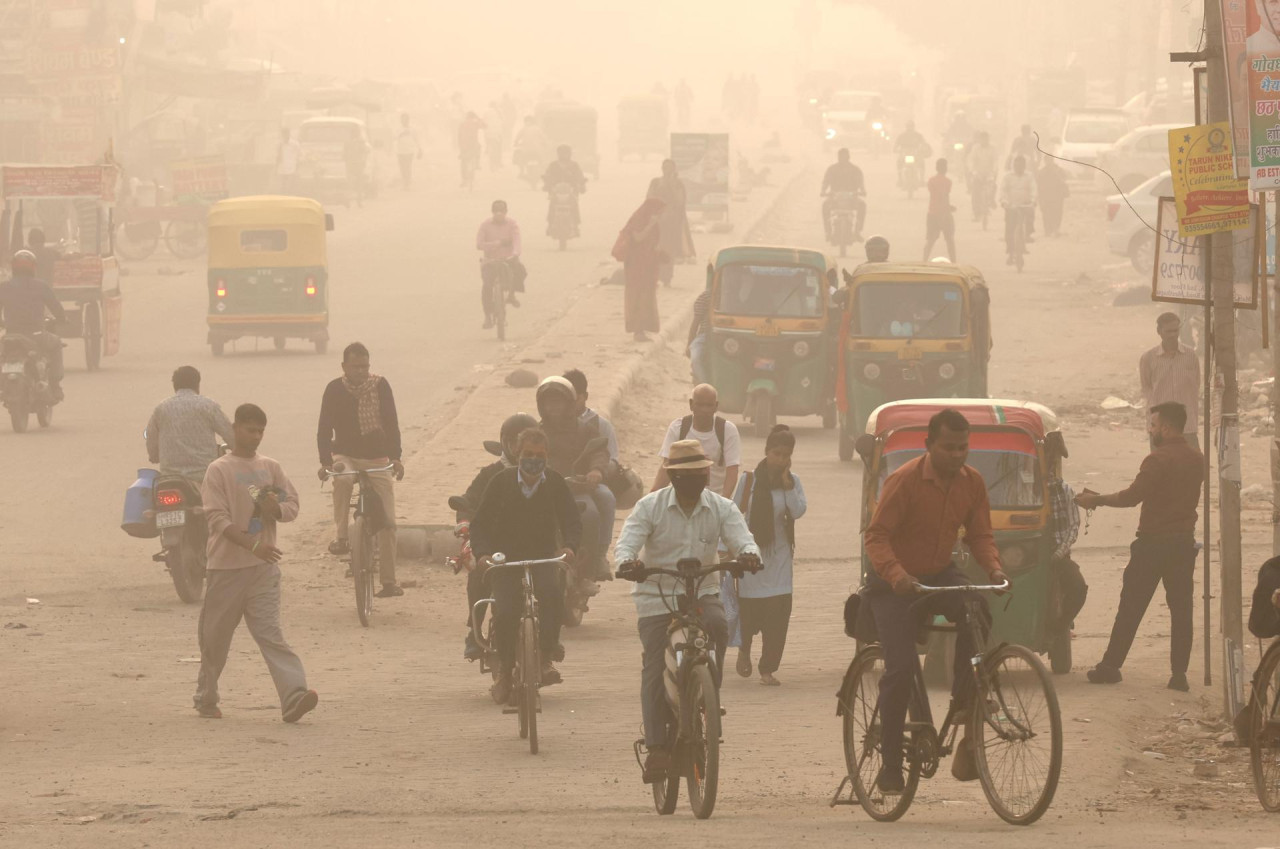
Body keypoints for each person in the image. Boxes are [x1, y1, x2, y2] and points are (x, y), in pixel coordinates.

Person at [863, 409, 1008, 794]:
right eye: (948, 448)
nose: (957, 455)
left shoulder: (972, 483)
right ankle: (891, 765)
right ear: (929, 445)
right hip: (893, 584)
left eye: (963, 447)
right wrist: (897, 576)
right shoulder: (904, 480)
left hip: (938, 573)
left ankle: (964, 699)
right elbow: (876, 536)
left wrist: (993, 569)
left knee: (976, 609)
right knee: (900, 670)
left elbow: (980, 536)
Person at [614, 439, 761, 781]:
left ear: (709, 473)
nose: (697, 480)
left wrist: (749, 554)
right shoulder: (649, 507)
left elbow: (743, 538)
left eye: (702, 473)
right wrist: (628, 563)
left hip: (702, 591)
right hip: (656, 596)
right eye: (688, 475)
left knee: (718, 626)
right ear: (673, 477)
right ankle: (656, 748)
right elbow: (626, 544)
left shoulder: (721, 507)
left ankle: (708, 694)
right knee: (653, 665)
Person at [195, 403, 316, 723]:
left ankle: (294, 695)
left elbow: (292, 507)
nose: (256, 436)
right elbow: (217, 520)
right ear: (235, 429)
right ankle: (206, 696)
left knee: (270, 634)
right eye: (250, 430)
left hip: (263, 571)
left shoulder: (270, 468)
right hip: (225, 569)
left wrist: (274, 509)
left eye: (261, 431)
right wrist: (253, 545)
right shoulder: (218, 470)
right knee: (215, 640)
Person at [1076, 402, 1204, 692]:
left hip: (1153, 545)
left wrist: (1096, 500)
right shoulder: (1197, 458)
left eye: (1153, 425)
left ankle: (1111, 666)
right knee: (1182, 610)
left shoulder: (1157, 460)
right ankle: (1178, 674)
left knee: (1131, 607)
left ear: (1166, 428)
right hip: (1183, 544)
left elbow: (1132, 497)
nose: (1151, 430)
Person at [470, 427, 581, 701]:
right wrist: (483, 554)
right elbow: (480, 524)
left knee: (553, 593)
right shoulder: (500, 481)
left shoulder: (554, 482)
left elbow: (571, 520)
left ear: (547, 456)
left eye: (539, 455)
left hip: (543, 556)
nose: (533, 460)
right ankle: (505, 672)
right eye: (528, 454)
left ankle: (546, 654)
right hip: (505, 559)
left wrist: (569, 546)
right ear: (518, 454)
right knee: (506, 611)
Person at [316, 342, 405, 598]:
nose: (361, 372)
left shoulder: (380, 386)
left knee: (388, 522)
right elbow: (324, 429)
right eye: (356, 367)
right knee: (342, 478)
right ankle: (342, 537)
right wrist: (324, 462)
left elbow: (392, 422)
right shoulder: (334, 389)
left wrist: (396, 457)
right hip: (345, 455)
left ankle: (389, 582)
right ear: (344, 367)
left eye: (365, 366)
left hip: (378, 457)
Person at [730, 425, 806, 686]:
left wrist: (787, 486)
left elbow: (797, 511)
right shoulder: (749, 480)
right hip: (751, 557)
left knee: (778, 613)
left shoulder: (792, 482)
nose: (780, 460)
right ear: (766, 452)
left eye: (786, 455)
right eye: (776, 454)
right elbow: (733, 514)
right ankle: (744, 650)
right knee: (749, 612)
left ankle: (768, 669)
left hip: (780, 558)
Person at [461, 412, 537, 662]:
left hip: (536, 544)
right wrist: (464, 523)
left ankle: (548, 644)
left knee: (553, 584)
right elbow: (469, 502)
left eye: (526, 440)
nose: (520, 447)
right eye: (515, 440)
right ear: (504, 442)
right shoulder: (490, 474)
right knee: (478, 574)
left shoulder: (546, 473)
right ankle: (475, 631)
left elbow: (563, 506)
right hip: (495, 546)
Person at [536, 376, 613, 583]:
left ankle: (592, 566)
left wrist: (595, 470)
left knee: (591, 515)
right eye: (548, 402)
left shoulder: (585, 429)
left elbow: (599, 451)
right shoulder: (537, 432)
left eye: (558, 401)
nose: (553, 407)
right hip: (546, 490)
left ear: (569, 403)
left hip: (578, 489)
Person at [146, 366, 234, 483]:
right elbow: (230, 434)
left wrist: (154, 456)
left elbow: (151, 437)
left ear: (174, 386)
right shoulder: (208, 406)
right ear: (197, 385)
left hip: (170, 478)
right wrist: (238, 449)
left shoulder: (161, 408)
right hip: (205, 477)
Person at [653, 384, 742, 498]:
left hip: (714, 498)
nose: (704, 410)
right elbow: (667, 466)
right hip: (682, 497)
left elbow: (732, 470)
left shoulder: (727, 430)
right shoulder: (678, 428)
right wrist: (653, 496)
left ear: (716, 406)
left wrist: (723, 503)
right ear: (691, 404)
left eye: (709, 405)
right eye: (700, 405)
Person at [0, 249, 66, 399]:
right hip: (37, 336)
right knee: (56, 344)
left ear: (13, 267)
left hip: (11, 336)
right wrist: (63, 319)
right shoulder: (41, 286)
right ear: (33, 268)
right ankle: (55, 386)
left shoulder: (3, 287)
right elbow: (56, 307)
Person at [1139, 313, 1200, 448]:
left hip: (1187, 425)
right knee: (1160, 467)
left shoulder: (1191, 356)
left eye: (1175, 330)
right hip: (1160, 427)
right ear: (1159, 332)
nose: (1173, 335)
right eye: (1168, 331)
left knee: (1191, 466)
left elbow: (1196, 385)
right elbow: (1147, 389)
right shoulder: (1148, 358)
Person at [617, 197, 665, 342]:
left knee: (647, 296)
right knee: (638, 296)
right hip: (636, 266)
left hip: (647, 266)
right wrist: (651, 224)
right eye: (658, 212)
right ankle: (637, 331)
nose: (660, 215)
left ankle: (643, 329)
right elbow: (637, 238)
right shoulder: (639, 220)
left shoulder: (653, 223)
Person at [475, 200, 525, 329]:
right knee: (486, 287)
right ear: (492, 213)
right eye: (496, 212)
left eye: (501, 212)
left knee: (520, 271)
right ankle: (487, 317)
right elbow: (479, 244)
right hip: (490, 261)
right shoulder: (485, 225)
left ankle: (512, 295)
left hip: (508, 259)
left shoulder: (512, 224)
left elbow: (517, 240)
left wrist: (515, 253)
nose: (499, 214)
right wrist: (496, 244)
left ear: (505, 212)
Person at [647, 159, 695, 285]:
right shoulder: (655, 182)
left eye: (669, 167)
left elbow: (680, 202)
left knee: (669, 251)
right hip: (657, 223)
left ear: (674, 169)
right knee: (656, 249)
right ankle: (655, 275)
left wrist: (672, 184)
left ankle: (667, 277)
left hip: (672, 224)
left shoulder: (678, 184)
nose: (666, 169)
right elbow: (649, 200)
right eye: (664, 167)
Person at [821, 148, 867, 242]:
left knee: (862, 205)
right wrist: (823, 191)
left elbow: (860, 183)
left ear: (848, 157)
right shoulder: (832, 169)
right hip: (834, 197)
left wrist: (862, 191)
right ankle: (828, 231)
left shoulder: (855, 170)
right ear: (838, 157)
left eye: (844, 157)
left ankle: (857, 231)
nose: (842, 159)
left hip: (852, 198)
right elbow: (825, 182)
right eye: (840, 157)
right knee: (825, 206)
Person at [542, 145, 587, 237]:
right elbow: (547, 175)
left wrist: (582, 185)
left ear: (570, 154)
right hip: (556, 192)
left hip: (571, 192)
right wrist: (546, 185)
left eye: (566, 153)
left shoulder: (574, 165)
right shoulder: (553, 165)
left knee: (574, 205)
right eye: (561, 153)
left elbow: (580, 176)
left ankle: (575, 225)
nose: (564, 155)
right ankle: (550, 224)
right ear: (558, 154)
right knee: (552, 206)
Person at [1000, 155, 1037, 264]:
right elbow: (1003, 190)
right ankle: (1010, 251)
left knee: (1029, 220)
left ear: (1024, 166)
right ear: (1013, 165)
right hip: (1011, 206)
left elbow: (1033, 189)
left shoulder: (1029, 176)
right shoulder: (1007, 176)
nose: (1019, 168)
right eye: (1017, 165)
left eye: (1021, 165)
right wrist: (1004, 201)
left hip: (1025, 205)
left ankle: (1027, 236)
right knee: (1010, 229)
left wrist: (1033, 200)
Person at [922, 159, 956, 262]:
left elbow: (936, 196)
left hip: (933, 213)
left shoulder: (931, 181)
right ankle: (954, 262)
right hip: (945, 214)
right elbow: (944, 196)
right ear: (946, 168)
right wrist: (949, 207)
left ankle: (924, 261)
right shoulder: (948, 182)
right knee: (950, 240)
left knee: (930, 241)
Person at [966, 132, 997, 222]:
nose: (984, 141)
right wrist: (973, 171)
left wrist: (993, 172)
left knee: (993, 186)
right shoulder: (975, 148)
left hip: (989, 173)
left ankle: (991, 200)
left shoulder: (993, 148)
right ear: (980, 140)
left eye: (986, 139)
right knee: (975, 193)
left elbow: (995, 161)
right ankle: (976, 214)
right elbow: (971, 160)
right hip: (978, 173)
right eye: (982, 139)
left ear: (988, 139)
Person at [1037, 158, 1070, 237]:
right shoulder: (1042, 171)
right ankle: (1048, 230)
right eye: (1047, 160)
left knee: (1056, 212)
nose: (1048, 162)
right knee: (1047, 213)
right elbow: (1039, 184)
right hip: (1047, 195)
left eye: (1049, 160)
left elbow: (1065, 178)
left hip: (1056, 195)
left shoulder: (1057, 170)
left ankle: (1055, 229)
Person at [685, 286, 712, 384]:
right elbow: (696, 322)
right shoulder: (706, 296)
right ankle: (705, 385)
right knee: (696, 358)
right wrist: (689, 344)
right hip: (705, 335)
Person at [457, 111, 485, 188]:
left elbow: (459, 135)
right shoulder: (475, 123)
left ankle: (464, 180)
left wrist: (460, 146)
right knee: (479, 148)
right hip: (473, 145)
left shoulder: (462, 124)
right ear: (473, 117)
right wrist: (478, 118)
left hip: (464, 146)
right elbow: (485, 126)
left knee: (463, 162)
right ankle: (477, 163)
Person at [395, 114, 423, 189]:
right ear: (401, 120)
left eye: (406, 119)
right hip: (400, 151)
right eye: (403, 119)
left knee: (408, 167)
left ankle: (407, 183)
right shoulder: (398, 129)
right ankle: (405, 181)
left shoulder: (412, 129)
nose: (404, 121)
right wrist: (401, 134)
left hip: (409, 151)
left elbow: (416, 139)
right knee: (402, 168)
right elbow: (394, 138)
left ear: (408, 120)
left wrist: (420, 149)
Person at [343, 132, 369, 207]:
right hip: (359, 165)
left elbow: (343, 156)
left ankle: (347, 200)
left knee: (350, 183)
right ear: (358, 135)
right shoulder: (361, 143)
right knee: (359, 184)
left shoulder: (346, 143)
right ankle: (359, 202)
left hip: (350, 165)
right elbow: (367, 151)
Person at [276, 128, 300, 194]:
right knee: (281, 187)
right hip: (281, 168)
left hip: (291, 168)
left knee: (289, 187)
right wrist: (276, 167)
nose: (284, 136)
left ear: (289, 134)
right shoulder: (279, 144)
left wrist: (297, 167)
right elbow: (278, 156)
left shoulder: (295, 144)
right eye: (283, 134)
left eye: (286, 133)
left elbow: (298, 156)